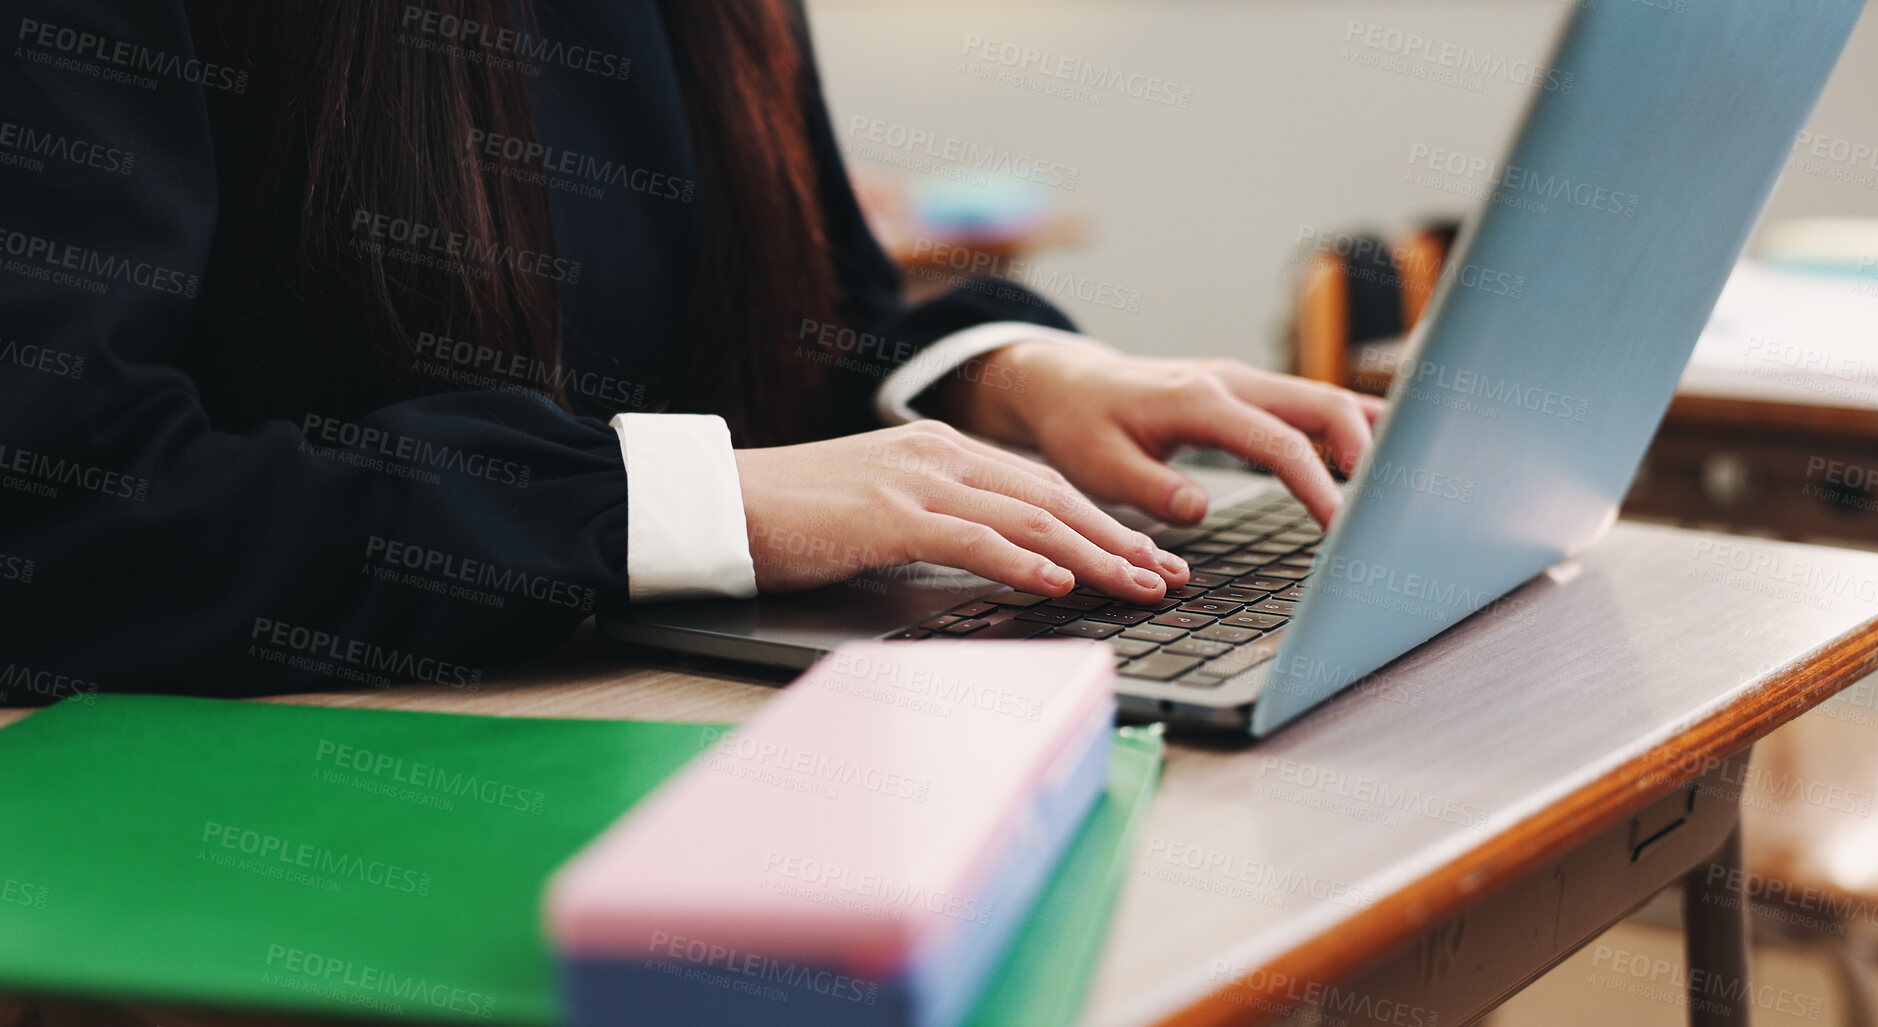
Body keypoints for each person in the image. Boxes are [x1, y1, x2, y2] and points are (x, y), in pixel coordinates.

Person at [0, 0, 1382, 700]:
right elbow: (71, 510)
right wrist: (697, 501)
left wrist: (1004, 373)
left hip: (652, 721)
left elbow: (805, 314)